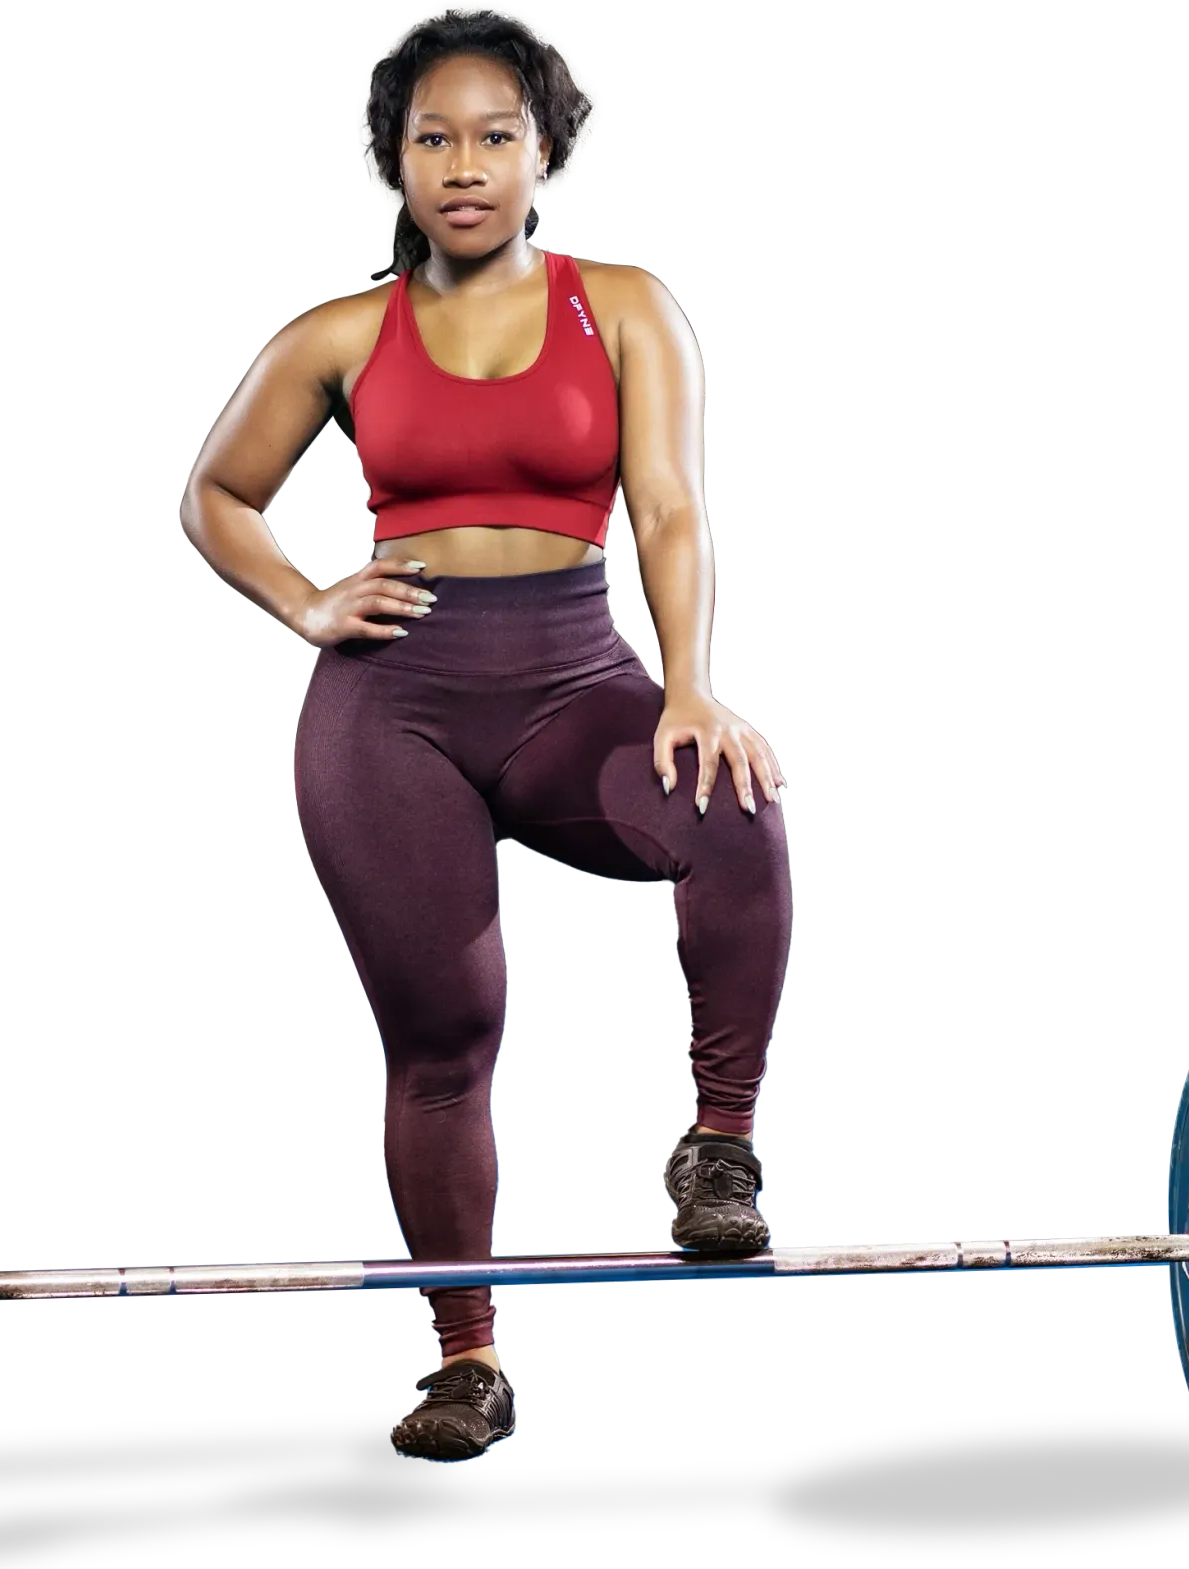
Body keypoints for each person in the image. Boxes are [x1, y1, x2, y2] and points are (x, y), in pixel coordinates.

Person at [177, 7, 791, 1463]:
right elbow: (215, 494)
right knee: (446, 1028)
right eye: (433, 138)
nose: (465, 166)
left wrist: (690, 685)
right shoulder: (337, 333)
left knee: (735, 809)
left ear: (545, 151)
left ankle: (718, 1150)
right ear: (394, 161)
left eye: (495, 136)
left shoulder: (626, 304)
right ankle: (466, 1356)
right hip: (397, 703)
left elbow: (670, 512)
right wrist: (309, 605)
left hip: (579, 677)